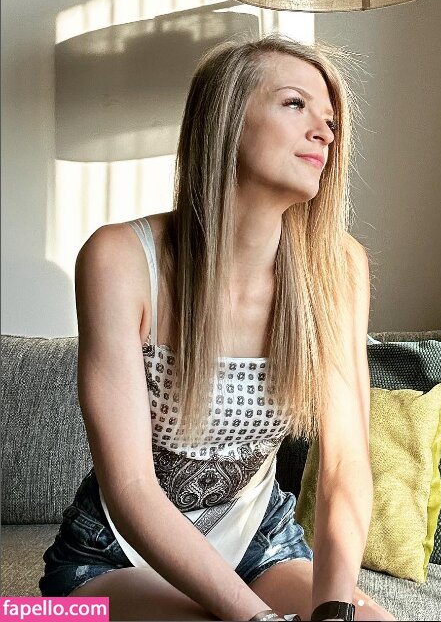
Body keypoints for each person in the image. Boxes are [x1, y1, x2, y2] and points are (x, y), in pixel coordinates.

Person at [39, 34, 396, 622]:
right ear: (226, 119)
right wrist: (256, 619)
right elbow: (130, 488)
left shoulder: (338, 267)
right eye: (295, 104)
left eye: (331, 121)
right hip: (112, 557)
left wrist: (336, 612)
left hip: (260, 546)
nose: (325, 133)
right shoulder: (120, 259)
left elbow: (344, 462)